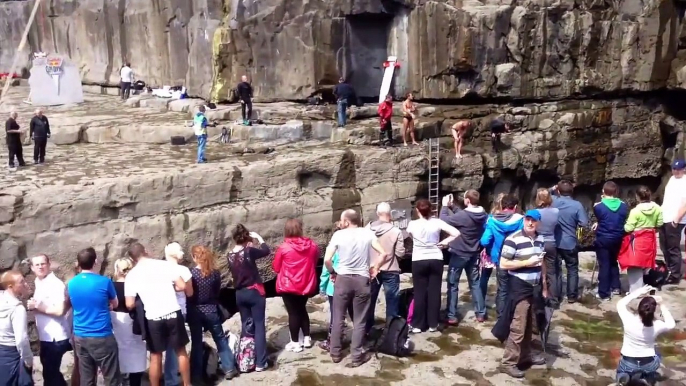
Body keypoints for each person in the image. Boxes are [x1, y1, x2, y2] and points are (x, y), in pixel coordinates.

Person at [324, 209, 388, 366]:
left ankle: (335, 353)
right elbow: (384, 253)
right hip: (362, 280)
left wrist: (333, 273)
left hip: (342, 280)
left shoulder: (338, 235)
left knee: (338, 318)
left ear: (346, 221)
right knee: (359, 321)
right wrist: (375, 268)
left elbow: (327, 259)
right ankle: (356, 356)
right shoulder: (367, 234)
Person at [124, 243, 191, 386]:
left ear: (132, 259)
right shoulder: (164, 265)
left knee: (155, 356)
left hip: (153, 317)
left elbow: (129, 303)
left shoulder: (132, 275)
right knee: (181, 351)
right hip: (173, 311)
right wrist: (170, 287)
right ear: (146, 251)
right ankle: (187, 384)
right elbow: (182, 286)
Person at [493, 210, 547, 379]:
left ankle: (525, 356)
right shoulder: (513, 239)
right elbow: (503, 263)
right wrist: (526, 262)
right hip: (519, 287)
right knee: (518, 326)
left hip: (534, 287)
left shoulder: (540, 238)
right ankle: (508, 363)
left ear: (538, 222)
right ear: (524, 220)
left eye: (534, 221)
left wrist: (545, 286)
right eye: (528, 220)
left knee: (531, 324)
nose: (530, 223)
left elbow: (542, 262)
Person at [67, 247, 121, 385]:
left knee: (86, 378)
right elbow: (114, 303)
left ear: (78, 263)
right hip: (102, 335)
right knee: (111, 377)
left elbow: (73, 302)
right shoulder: (104, 282)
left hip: (80, 335)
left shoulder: (71, 283)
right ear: (95, 262)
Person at [406, 199, 460, 333]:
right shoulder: (437, 222)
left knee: (419, 292)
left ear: (417, 210)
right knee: (434, 291)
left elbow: (410, 236)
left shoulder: (412, 224)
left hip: (419, 259)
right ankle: (433, 323)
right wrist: (444, 242)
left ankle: (418, 324)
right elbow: (456, 233)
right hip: (436, 257)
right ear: (431, 209)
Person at [187, 245, 238, 381]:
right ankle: (229, 368)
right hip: (211, 309)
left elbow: (189, 295)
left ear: (194, 257)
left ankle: (196, 375)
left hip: (195, 311)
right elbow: (216, 292)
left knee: (197, 343)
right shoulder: (215, 273)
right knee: (220, 339)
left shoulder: (191, 273)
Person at [226, 225, 271, 371]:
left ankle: (246, 360)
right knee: (259, 326)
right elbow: (266, 251)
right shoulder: (249, 251)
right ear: (247, 237)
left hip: (239, 294)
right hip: (254, 292)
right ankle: (260, 362)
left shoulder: (230, 255)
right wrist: (259, 238)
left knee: (246, 326)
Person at [440, 191, 488, 324]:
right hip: (474, 253)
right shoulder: (483, 214)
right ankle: (480, 313)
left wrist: (444, 207)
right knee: (475, 283)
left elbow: (444, 221)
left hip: (459, 253)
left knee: (453, 283)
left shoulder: (463, 216)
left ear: (467, 200)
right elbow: (465, 215)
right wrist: (453, 207)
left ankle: (451, 315)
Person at [273, 218, 319, 352]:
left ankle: (295, 343)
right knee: (302, 309)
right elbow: (314, 262)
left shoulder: (284, 247)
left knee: (293, 313)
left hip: (288, 286)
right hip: (306, 283)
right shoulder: (313, 246)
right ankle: (306, 338)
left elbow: (276, 267)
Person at [616, 285, 675, 385]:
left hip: (628, 362)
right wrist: (662, 304)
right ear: (653, 311)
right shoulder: (657, 325)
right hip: (648, 363)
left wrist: (638, 292)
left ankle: (623, 376)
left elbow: (620, 304)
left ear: (639, 308)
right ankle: (648, 377)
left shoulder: (628, 319)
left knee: (621, 370)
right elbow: (671, 324)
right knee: (657, 353)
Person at [27, 255, 71, 386]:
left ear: (49, 264)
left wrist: (37, 307)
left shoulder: (55, 284)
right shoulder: (38, 281)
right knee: (51, 373)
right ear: (32, 268)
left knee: (50, 375)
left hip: (55, 337)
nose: (40, 267)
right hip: (46, 337)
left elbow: (59, 311)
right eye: (37, 265)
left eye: (43, 264)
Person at [480, 195, 524, 318]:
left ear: (501, 205)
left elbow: (484, 241)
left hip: (501, 259)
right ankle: (515, 314)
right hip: (517, 258)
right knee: (516, 287)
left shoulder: (492, 220)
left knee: (503, 288)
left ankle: (501, 316)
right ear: (515, 207)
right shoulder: (522, 220)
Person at [365, 202, 406, 333]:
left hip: (371, 270)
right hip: (391, 269)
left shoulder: (367, 229)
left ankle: (367, 329)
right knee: (392, 301)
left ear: (377, 214)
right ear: (390, 213)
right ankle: (391, 330)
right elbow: (400, 253)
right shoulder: (396, 231)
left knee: (369, 301)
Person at [550, 180, 588, 303]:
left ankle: (557, 295)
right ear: (572, 192)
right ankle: (572, 296)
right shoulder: (577, 205)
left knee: (556, 269)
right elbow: (584, 223)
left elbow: (543, 193)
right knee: (572, 269)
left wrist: (553, 187)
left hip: (555, 241)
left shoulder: (552, 200)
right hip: (570, 242)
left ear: (558, 191)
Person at [318, 221, 354, 352]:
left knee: (336, 316)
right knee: (354, 314)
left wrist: (322, 287)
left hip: (334, 288)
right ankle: (360, 339)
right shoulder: (352, 247)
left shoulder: (332, 250)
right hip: (353, 284)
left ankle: (333, 342)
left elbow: (325, 271)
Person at [110, 258, 146, 386]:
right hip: (134, 323)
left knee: (118, 354)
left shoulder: (111, 286)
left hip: (116, 322)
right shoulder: (137, 286)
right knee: (136, 356)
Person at [620, 187, 663, 293]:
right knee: (645, 263)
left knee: (634, 265)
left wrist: (623, 226)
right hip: (649, 239)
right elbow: (660, 223)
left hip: (637, 241)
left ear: (637, 197)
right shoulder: (657, 208)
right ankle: (645, 285)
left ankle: (636, 291)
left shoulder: (635, 211)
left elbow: (628, 228)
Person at [593, 181, 629, 300]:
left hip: (603, 238)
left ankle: (604, 293)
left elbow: (601, 217)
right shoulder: (624, 206)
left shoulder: (598, 206)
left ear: (603, 191)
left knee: (604, 265)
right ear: (616, 192)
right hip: (618, 238)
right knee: (613, 262)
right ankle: (616, 287)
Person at [163, 243, 193, 386]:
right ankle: (176, 380)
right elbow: (190, 292)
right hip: (180, 311)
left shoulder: (159, 269)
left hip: (162, 311)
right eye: (180, 250)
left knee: (168, 347)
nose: (182, 252)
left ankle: (170, 378)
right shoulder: (183, 270)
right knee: (179, 349)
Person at [0, 271, 33, 386]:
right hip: (12, 353)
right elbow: (22, 340)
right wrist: (28, 360)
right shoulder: (18, 309)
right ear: (10, 286)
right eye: (21, 282)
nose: (25, 284)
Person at [659, 159, 686, 285]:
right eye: (674, 169)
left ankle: (675, 275)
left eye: (678, 169)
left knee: (673, 247)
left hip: (676, 219)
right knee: (664, 245)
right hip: (665, 217)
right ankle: (669, 269)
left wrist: (677, 219)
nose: (676, 171)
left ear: (684, 169)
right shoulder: (671, 179)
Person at [534, 189, 560, 306]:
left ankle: (539, 297)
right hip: (551, 243)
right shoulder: (556, 211)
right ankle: (553, 300)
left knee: (537, 271)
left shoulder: (535, 213)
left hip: (538, 242)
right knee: (551, 272)